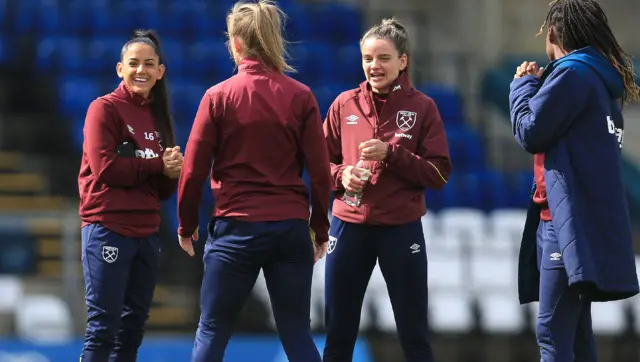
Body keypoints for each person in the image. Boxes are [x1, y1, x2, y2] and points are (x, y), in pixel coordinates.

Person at [175, 1, 332, 361]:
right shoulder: (301, 96)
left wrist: (186, 225)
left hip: (235, 228)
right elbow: (321, 174)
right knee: (296, 332)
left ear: (236, 44)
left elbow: (193, 170)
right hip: (289, 228)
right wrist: (319, 230)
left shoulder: (217, 97)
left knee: (213, 330)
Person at [510, 0, 640, 360]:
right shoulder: (599, 83)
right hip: (576, 220)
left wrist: (521, 87)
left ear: (552, 33)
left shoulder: (573, 75)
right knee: (578, 336)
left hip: (562, 222)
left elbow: (531, 131)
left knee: (552, 333)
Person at [323, 17, 452, 362]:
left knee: (413, 335)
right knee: (337, 334)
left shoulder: (422, 107)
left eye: (383, 58)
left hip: (400, 228)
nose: (374, 66)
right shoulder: (343, 104)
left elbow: (439, 174)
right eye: (367, 59)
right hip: (349, 226)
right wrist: (343, 175)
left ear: (402, 61)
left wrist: (392, 154)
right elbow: (321, 164)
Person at [77, 29, 183, 362]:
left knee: (133, 329)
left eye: (149, 64)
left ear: (160, 71)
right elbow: (106, 169)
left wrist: (173, 174)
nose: (142, 71)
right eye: (134, 63)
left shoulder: (159, 116)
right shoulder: (104, 109)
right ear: (120, 69)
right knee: (103, 327)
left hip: (146, 234)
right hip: (107, 227)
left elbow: (162, 191)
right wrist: (156, 166)